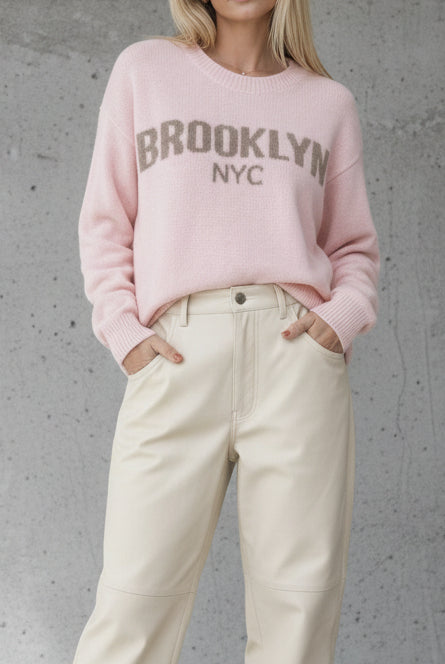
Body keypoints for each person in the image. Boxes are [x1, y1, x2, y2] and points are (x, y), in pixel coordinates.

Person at [72, 0, 380, 662]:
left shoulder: (327, 103)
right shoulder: (145, 71)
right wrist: (125, 332)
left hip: (295, 360)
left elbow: (353, 248)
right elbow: (105, 222)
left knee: (298, 612)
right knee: (133, 603)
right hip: (178, 353)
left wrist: (338, 321)